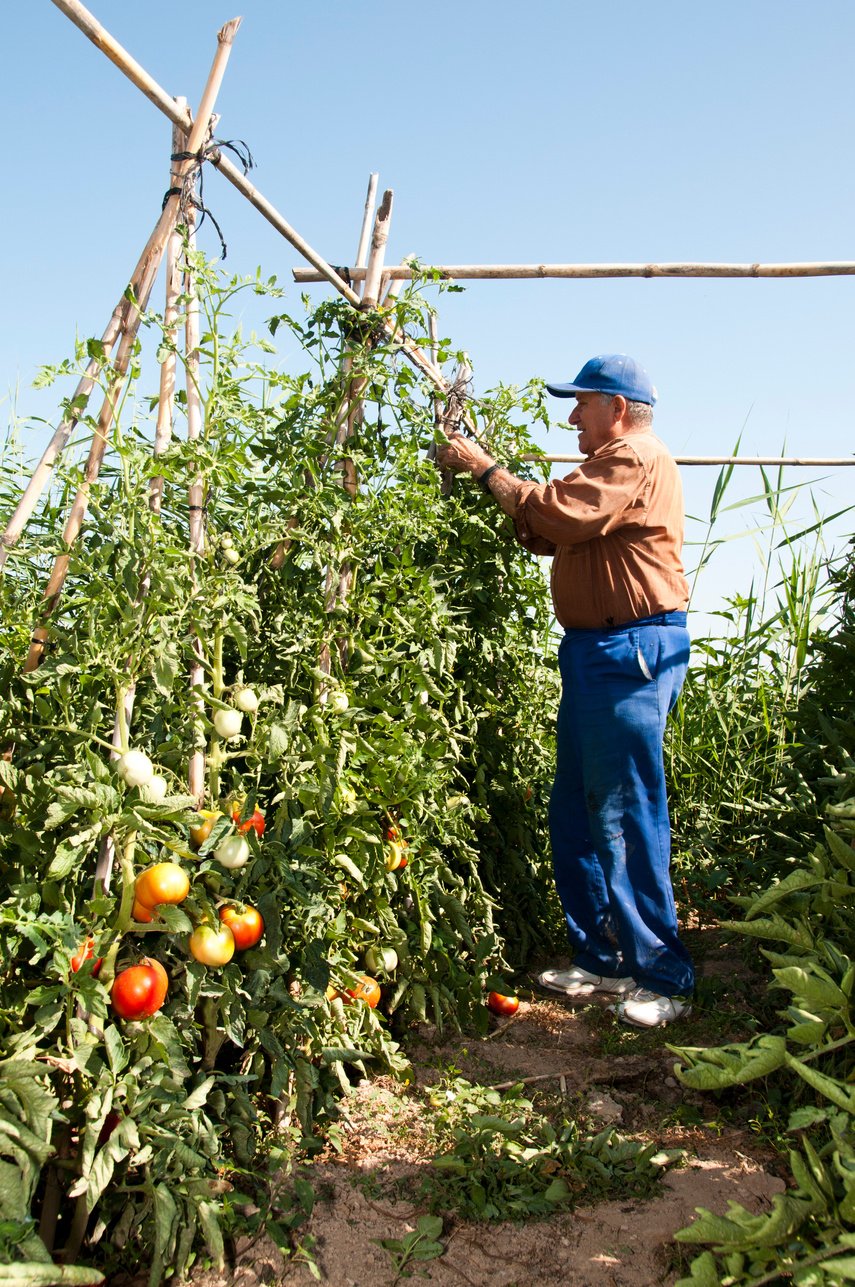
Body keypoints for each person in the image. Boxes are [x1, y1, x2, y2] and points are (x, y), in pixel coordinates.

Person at [435, 353, 694, 1028]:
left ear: (615, 405)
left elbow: (557, 514)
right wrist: (500, 488)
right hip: (595, 650)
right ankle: (603, 959)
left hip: (629, 649)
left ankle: (662, 974)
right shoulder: (605, 466)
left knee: (624, 808)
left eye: (581, 402)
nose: (571, 415)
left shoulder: (632, 455)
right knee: (578, 810)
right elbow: (544, 529)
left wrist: (487, 469)